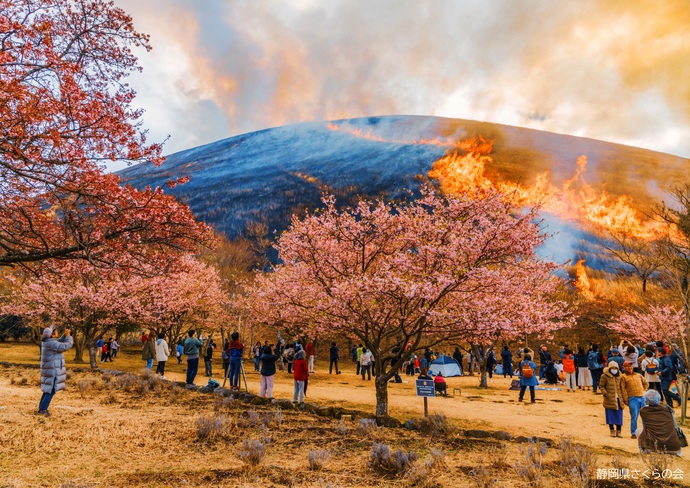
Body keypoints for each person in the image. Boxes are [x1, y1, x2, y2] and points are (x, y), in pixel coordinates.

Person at [38, 325, 74, 416]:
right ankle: (43, 410)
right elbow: (66, 345)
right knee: (51, 390)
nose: (57, 332)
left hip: (49, 369)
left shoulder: (48, 342)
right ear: (52, 335)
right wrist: (68, 336)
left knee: (47, 390)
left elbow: (58, 342)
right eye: (56, 331)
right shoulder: (52, 344)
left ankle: (41, 408)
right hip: (53, 371)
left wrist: (65, 335)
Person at [637, 389, 682, 456]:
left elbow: (645, 426)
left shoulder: (643, 411)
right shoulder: (668, 409)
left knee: (638, 431)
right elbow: (675, 426)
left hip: (653, 446)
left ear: (646, 401)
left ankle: (645, 449)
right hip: (673, 447)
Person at [620, 360, 649, 438]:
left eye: (630, 366)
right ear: (624, 367)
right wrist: (625, 399)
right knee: (634, 416)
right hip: (632, 398)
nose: (629, 367)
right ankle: (633, 432)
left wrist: (643, 391)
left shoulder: (638, 375)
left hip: (642, 397)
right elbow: (622, 389)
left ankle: (647, 432)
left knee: (645, 416)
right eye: (627, 366)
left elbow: (646, 383)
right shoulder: (623, 377)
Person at [599, 361, 624, 437]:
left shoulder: (620, 376)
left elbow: (622, 387)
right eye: (612, 368)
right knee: (610, 415)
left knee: (619, 415)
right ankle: (612, 430)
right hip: (609, 399)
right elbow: (601, 386)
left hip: (619, 399)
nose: (614, 369)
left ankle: (619, 431)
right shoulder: (604, 376)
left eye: (615, 368)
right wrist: (605, 393)